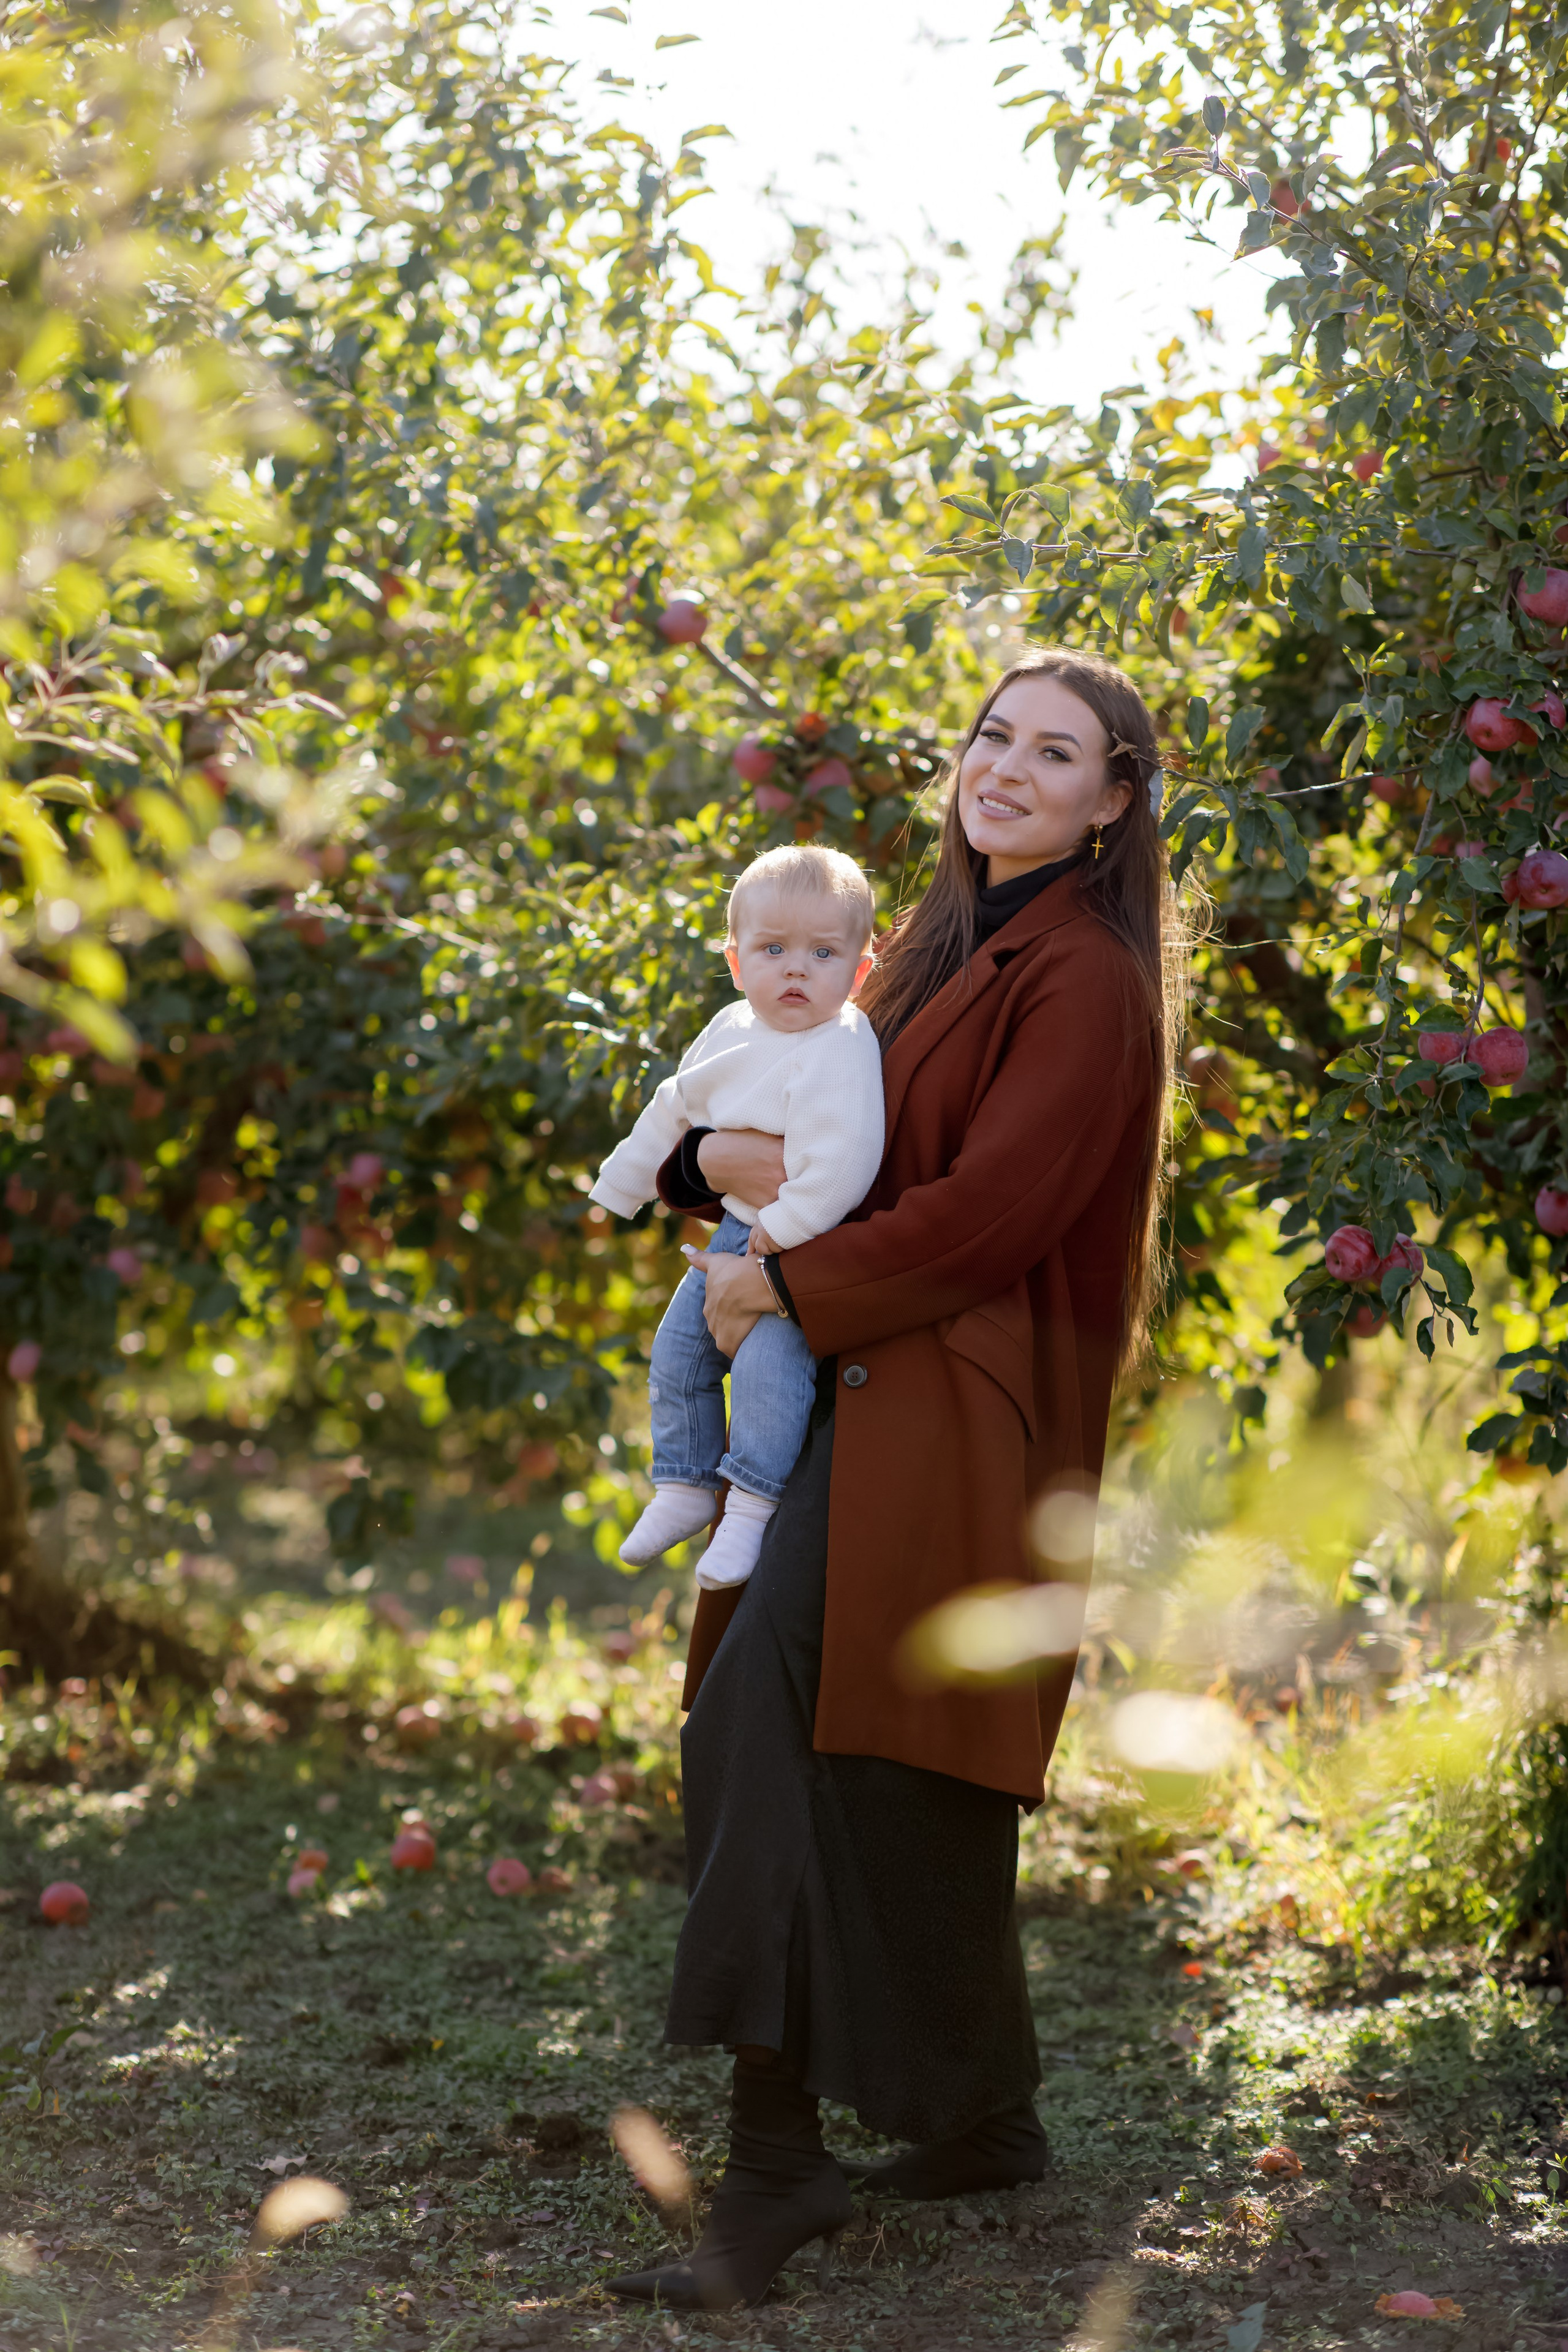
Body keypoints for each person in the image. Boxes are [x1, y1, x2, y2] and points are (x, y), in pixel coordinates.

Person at [606, 647, 1187, 2312]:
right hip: (860, 1374)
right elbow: (795, 1113)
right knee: (853, 1744)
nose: (1004, 766)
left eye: (1054, 752)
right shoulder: (927, 942)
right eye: (993, 735)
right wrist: (711, 1171)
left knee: (776, 1710)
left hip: (950, 1406)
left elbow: (990, 1214)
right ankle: (980, 2117)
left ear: (1113, 800)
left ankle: (778, 2169)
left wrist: (780, 1281)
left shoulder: (1083, 978)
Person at [589, 844, 884, 1589]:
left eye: (822, 953)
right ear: (735, 962)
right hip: (734, 1230)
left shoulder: (843, 1047)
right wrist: (621, 1186)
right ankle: (684, 1483)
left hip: (803, 1242)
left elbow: (844, 1166)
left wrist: (778, 1236)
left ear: (857, 972)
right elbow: (674, 1108)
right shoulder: (729, 1029)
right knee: (679, 1352)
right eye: (773, 949)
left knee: (766, 1373)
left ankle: (750, 1508)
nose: (795, 969)